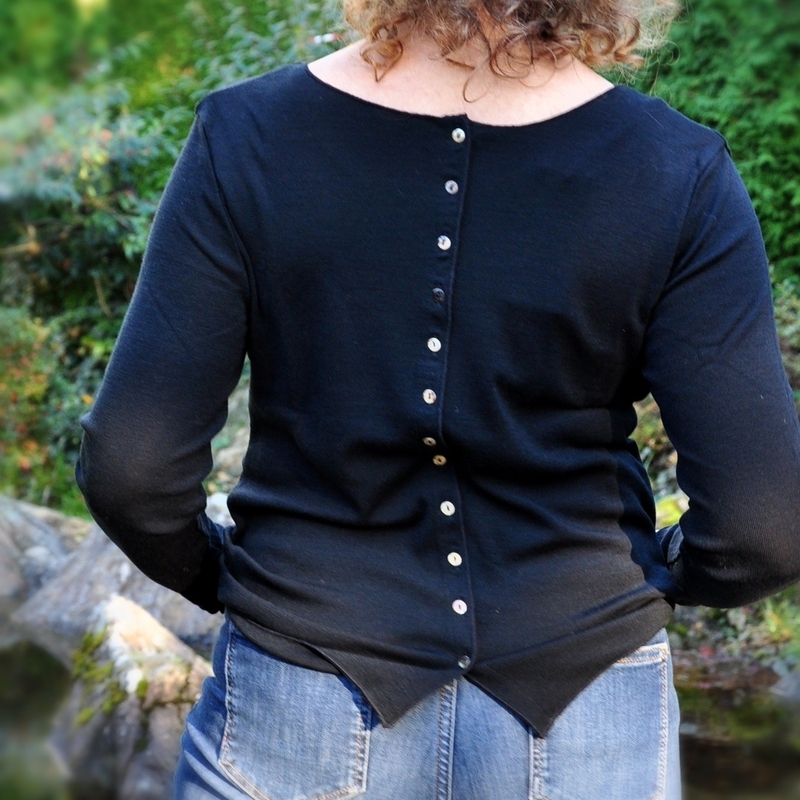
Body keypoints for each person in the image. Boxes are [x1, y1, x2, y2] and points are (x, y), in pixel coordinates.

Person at [75, 0, 800, 797]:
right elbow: (764, 528)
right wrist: (655, 577)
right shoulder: (679, 169)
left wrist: (231, 578)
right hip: (588, 697)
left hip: (301, 684)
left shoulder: (245, 134)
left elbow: (131, 469)